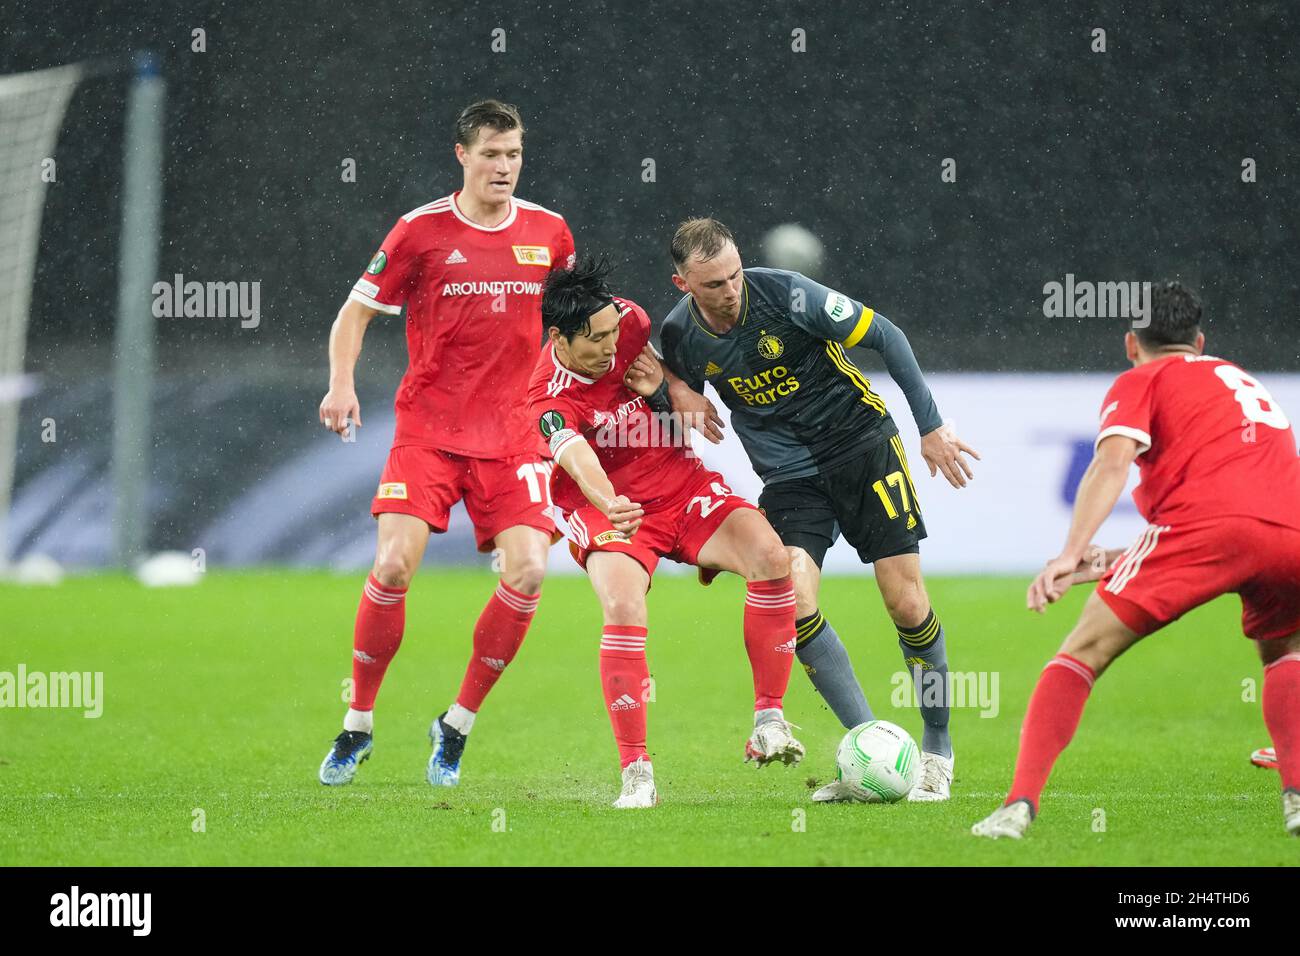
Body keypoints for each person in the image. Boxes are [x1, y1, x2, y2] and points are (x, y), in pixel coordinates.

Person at [653, 218, 978, 801]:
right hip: (790, 477)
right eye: (713, 285)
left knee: (906, 602)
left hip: (862, 448)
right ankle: (869, 749)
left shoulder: (788, 294)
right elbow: (661, 380)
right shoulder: (679, 336)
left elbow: (890, 336)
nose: (730, 291)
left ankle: (937, 748)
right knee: (793, 602)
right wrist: (676, 389)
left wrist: (930, 425)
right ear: (682, 284)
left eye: (733, 275)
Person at [972, 282, 1300, 839]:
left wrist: (1071, 553)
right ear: (1199, 340)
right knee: (1284, 653)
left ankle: (1017, 805)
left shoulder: (1142, 378)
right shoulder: (1245, 382)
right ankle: (1295, 800)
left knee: (1081, 652)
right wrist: (1112, 558)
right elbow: (1245, 515)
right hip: (1290, 532)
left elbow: (1112, 464)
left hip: (1205, 530)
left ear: (1131, 344)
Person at [317, 100, 575, 787]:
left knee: (528, 572)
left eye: (514, 154)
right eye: (491, 153)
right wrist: (341, 385)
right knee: (395, 566)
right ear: (461, 155)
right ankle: (358, 723)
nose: (504, 167)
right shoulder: (421, 231)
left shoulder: (549, 233)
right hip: (429, 431)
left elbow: (575, 324)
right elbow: (355, 312)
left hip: (515, 435)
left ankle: (456, 723)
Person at [527, 257, 804, 808]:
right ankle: (637, 772)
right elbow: (575, 456)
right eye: (596, 341)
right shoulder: (547, 399)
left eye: (613, 333)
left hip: (680, 484)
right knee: (624, 608)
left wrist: (673, 389)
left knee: (772, 557)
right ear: (557, 336)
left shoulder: (628, 320)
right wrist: (611, 502)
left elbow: (654, 367)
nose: (612, 348)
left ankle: (770, 720)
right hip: (610, 505)